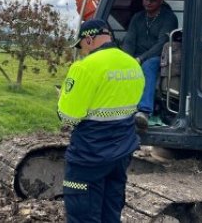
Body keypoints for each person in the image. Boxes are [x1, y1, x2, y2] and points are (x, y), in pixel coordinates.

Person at [58, 19, 145, 222]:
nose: (82, 51)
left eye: (81, 46)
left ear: (89, 39)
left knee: (83, 214)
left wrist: (62, 97)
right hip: (121, 150)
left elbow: (68, 117)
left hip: (89, 155)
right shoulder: (133, 64)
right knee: (110, 212)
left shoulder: (85, 68)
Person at [123, 0, 178, 130]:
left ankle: (144, 111)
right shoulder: (137, 17)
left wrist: (140, 59)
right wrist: (126, 59)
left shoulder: (169, 18)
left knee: (148, 65)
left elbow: (161, 44)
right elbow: (129, 40)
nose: (148, 2)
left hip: (159, 57)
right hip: (136, 56)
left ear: (161, 0)